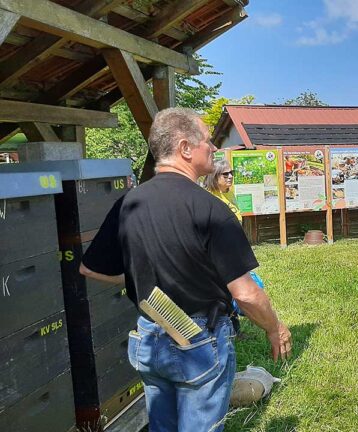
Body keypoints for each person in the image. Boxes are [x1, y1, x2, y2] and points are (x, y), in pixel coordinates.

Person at [78, 108, 292, 432]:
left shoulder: (128, 204)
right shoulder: (211, 209)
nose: (214, 147)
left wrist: (141, 275)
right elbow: (246, 294)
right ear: (185, 148)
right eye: (207, 140)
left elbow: (90, 267)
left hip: (149, 335)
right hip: (198, 341)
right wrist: (275, 328)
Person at [204, 159, 242, 223]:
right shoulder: (209, 196)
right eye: (225, 174)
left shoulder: (229, 193)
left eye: (231, 173)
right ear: (214, 176)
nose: (230, 176)